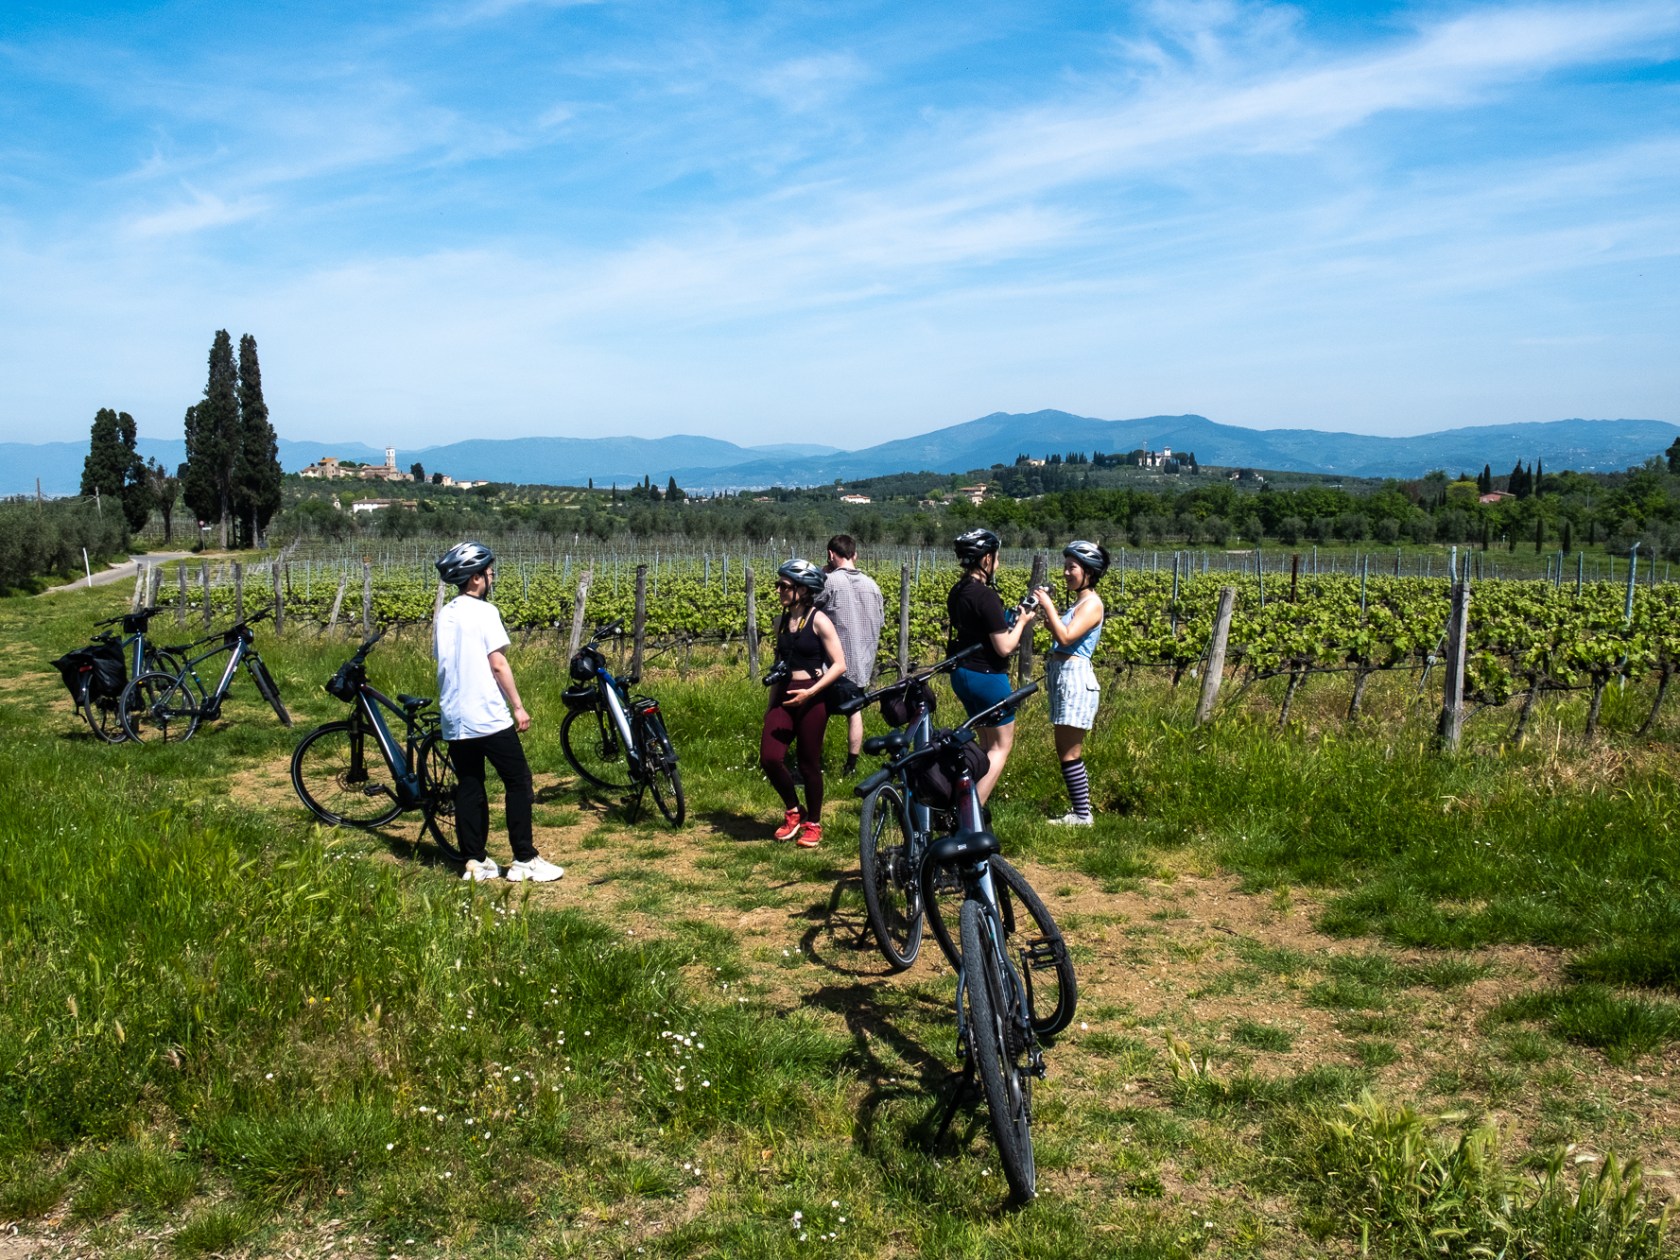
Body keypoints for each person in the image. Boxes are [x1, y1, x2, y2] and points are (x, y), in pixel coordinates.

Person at [434, 541, 563, 883]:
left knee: (470, 784)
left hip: (454, 715)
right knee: (518, 781)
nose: (492, 578)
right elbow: (498, 663)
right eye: (489, 573)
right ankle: (524, 858)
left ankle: (475, 862)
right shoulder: (485, 612)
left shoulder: (446, 613)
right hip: (487, 715)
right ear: (475, 578)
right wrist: (518, 706)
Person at [760, 558, 847, 848]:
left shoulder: (819, 620)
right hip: (784, 694)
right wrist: (771, 707)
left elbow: (839, 665)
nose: (779, 590)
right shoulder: (780, 622)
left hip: (812, 697)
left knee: (809, 764)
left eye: (784, 586)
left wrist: (810, 693)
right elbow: (779, 663)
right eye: (779, 584)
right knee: (770, 758)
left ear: (803, 589)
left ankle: (814, 823)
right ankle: (794, 811)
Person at [946, 528, 1034, 804]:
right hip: (987, 677)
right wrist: (1022, 622)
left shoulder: (958, 590)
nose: (998, 562)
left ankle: (962, 801)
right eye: (996, 557)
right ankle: (970, 815)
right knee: (1000, 747)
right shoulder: (985, 596)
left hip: (963, 674)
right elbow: (1005, 647)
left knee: (984, 744)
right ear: (986, 559)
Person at [1030, 540, 1109, 826]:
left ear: (1089, 571)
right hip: (1065, 677)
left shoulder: (1092, 604)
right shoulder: (1080, 603)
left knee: (1070, 751)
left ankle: (1082, 814)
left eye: (1071, 567)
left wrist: (1048, 605)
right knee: (1065, 750)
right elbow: (1063, 634)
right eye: (1065, 567)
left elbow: (1065, 638)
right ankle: (1080, 811)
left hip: (1075, 679)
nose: (1065, 573)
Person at [816, 534, 884, 776]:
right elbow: (881, 621)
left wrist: (821, 573)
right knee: (854, 712)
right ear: (854, 555)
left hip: (832, 664)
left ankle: (814, 764)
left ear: (831, 554)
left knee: (818, 710)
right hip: (862, 664)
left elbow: (813, 613)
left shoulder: (829, 582)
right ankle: (851, 767)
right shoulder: (873, 586)